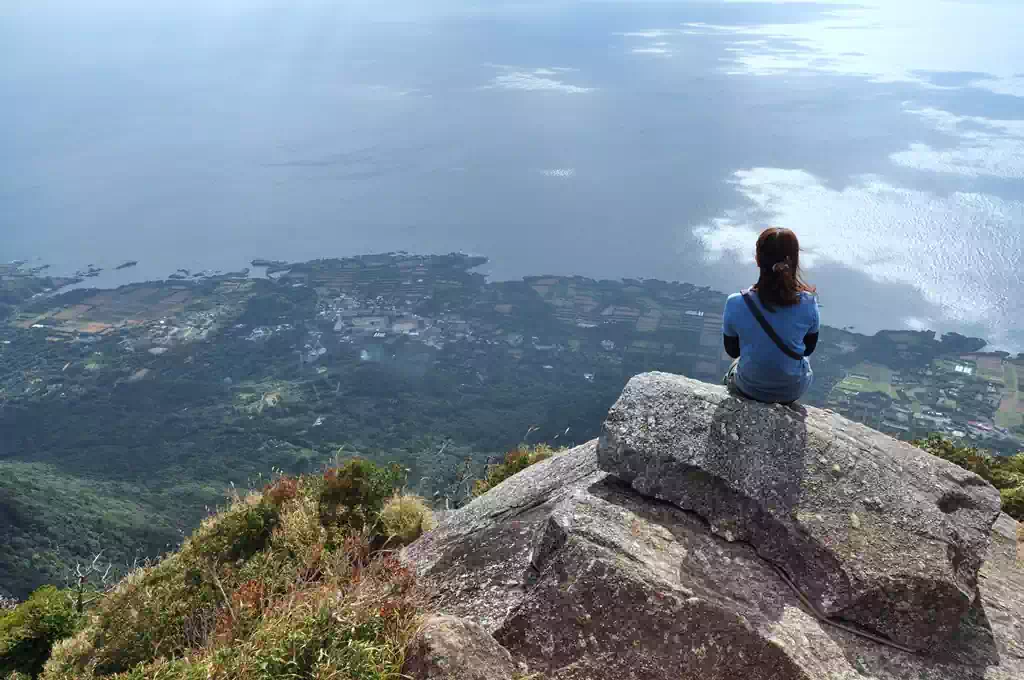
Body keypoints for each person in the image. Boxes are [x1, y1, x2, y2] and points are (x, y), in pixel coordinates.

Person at [722, 227, 819, 404]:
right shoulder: (809, 303)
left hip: (749, 387)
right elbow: (808, 349)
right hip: (793, 389)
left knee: (732, 369)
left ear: (757, 260)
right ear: (794, 260)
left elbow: (733, 351)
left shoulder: (735, 302)